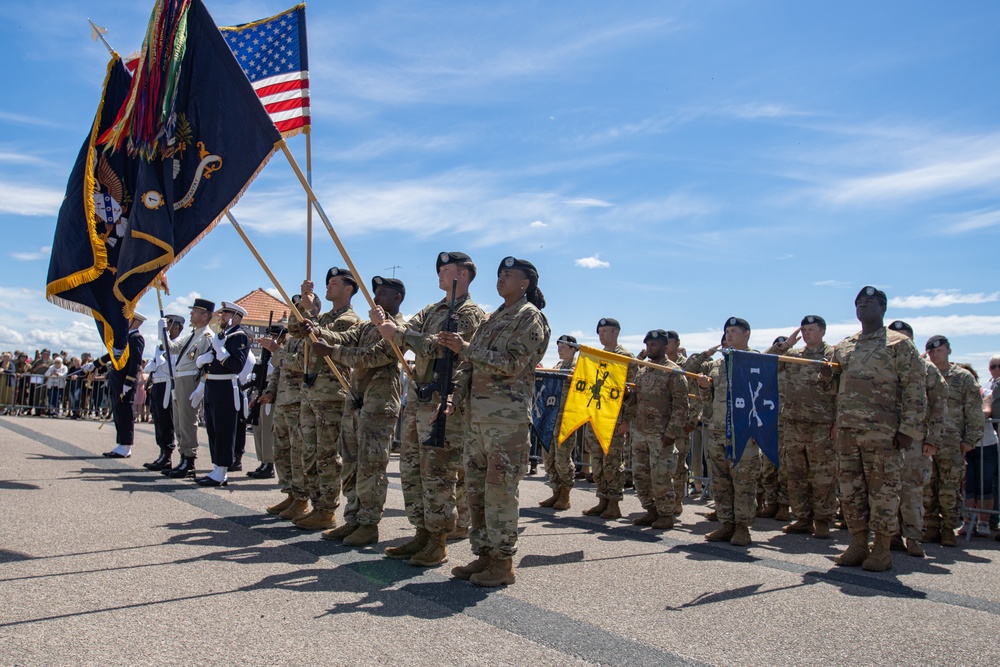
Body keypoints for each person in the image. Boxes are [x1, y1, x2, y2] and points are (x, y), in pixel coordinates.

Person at [442, 256, 550, 587]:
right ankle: (485, 554)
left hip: (506, 423)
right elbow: (470, 366)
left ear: (525, 283)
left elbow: (512, 364)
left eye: (509, 275)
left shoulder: (530, 318)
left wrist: (466, 347)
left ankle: (503, 564)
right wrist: (453, 397)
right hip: (478, 419)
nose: (501, 279)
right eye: (499, 274)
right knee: (476, 491)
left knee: (500, 493)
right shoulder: (493, 319)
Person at [377, 252, 486, 567]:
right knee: (412, 471)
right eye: (439, 268)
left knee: (437, 473)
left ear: (463, 275)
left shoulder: (470, 314)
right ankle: (421, 532)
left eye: (447, 269)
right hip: (419, 401)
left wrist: (399, 333)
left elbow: (442, 346)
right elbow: (408, 336)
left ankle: (438, 541)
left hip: (444, 402)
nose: (439, 272)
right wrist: (387, 326)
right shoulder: (431, 309)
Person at [827, 286, 926, 572]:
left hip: (883, 432)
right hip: (848, 432)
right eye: (859, 302)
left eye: (870, 302)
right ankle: (858, 543)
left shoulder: (899, 344)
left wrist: (909, 428)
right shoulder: (845, 346)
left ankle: (882, 548)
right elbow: (836, 386)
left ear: (882, 308)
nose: (863, 306)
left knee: (883, 491)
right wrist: (827, 376)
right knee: (850, 490)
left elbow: (915, 389)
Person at [309, 276, 406, 547]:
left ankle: (368, 523)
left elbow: (374, 356)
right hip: (356, 401)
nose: (376, 298)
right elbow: (345, 337)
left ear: (397, 298)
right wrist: (318, 330)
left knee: (371, 466)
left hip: (379, 404)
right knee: (351, 464)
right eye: (375, 294)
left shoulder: (397, 328)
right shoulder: (366, 326)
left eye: (383, 294)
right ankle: (353, 518)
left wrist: (333, 350)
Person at [289, 268, 360, 529]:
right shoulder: (327, 315)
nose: (328, 287)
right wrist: (301, 303)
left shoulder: (350, 319)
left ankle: (327, 509)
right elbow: (295, 331)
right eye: (327, 283)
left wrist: (309, 313)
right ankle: (315, 502)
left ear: (348, 289)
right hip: (312, 391)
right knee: (310, 451)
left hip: (331, 395)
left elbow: (319, 337)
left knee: (327, 454)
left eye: (334, 283)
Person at [768, 316, 838, 539]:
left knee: (822, 475)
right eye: (804, 329)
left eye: (811, 329)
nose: (806, 333)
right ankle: (802, 518)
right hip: (793, 422)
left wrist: (838, 422)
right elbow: (765, 363)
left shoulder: (834, 355)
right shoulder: (794, 355)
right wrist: (786, 345)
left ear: (823, 332)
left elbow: (843, 390)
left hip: (822, 424)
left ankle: (823, 520)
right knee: (796, 474)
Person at [696, 317, 761, 546]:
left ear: (747, 334)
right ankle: (726, 523)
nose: (729, 335)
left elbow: (764, 399)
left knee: (743, 481)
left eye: (734, 331)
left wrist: (758, 430)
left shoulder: (756, 361)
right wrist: (704, 388)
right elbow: (709, 401)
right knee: (721, 481)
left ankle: (742, 527)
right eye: (727, 331)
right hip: (717, 430)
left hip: (744, 432)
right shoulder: (718, 364)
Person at [621, 330, 689, 531]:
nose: (650, 348)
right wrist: (627, 396)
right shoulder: (644, 371)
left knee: (661, 476)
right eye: (648, 344)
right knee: (641, 476)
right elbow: (636, 402)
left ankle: (666, 514)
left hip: (661, 435)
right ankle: (650, 510)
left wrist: (671, 433)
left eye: (654, 345)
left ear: (664, 346)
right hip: (641, 432)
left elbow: (681, 406)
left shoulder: (673, 372)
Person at [922, 335, 983, 545]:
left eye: (938, 350)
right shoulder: (924, 374)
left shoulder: (963, 377)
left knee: (949, 488)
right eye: (931, 351)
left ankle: (948, 528)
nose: (934, 354)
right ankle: (931, 526)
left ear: (948, 350)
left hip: (952, 442)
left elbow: (974, 411)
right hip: (927, 440)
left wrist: (970, 439)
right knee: (927, 488)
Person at [262, 297, 313, 520]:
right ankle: (291, 493)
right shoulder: (291, 340)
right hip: (283, 401)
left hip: (298, 403)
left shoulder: (310, 337)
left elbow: (300, 363)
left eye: (298, 311)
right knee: (281, 451)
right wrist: (271, 391)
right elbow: (279, 370)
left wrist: (276, 350)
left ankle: (302, 498)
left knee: (297, 452)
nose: (293, 316)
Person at [582, 317, 635, 520]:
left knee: (612, 461)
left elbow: (633, 393)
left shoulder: (626, 357)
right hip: (596, 415)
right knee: (597, 461)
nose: (601, 335)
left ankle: (614, 503)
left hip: (614, 418)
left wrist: (626, 420)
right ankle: (602, 499)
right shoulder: (597, 357)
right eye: (600, 332)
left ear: (616, 333)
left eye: (605, 331)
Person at [194, 301, 250, 486]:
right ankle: (217, 468)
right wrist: (202, 360)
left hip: (227, 388)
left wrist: (220, 351)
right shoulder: (222, 335)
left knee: (224, 431)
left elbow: (236, 365)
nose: (221, 317)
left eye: (225, 314)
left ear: (236, 317)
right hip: (213, 387)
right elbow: (210, 362)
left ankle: (222, 471)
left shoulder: (239, 337)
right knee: (213, 431)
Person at [162, 299, 215, 479]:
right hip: (180, 379)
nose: (191, 314)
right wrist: (163, 332)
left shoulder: (207, 337)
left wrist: (201, 386)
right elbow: (171, 348)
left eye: (195, 312)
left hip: (191, 381)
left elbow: (207, 365)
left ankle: (189, 459)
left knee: (187, 421)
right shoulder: (193, 335)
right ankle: (183, 456)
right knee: (178, 421)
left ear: (205, 315)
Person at [85, 314, 146, 458]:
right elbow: (113, 353)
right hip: (117, 380)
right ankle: (121, 444)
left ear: (135, 321)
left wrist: (129, 382)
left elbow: (135, 363)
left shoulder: (136, 338)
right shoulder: (126, 338)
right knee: (118, 413)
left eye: (129, 319)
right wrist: (95, 364)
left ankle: (126, 446)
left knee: (125, 414)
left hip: (125, 381)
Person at [538, 334, 579, 511]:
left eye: (564, 347)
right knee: (549, 457)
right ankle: (556, 491)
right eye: (558, 347)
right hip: (552, 418)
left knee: (562, 458)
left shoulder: (577, 368)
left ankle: (565, 494)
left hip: (566, 419)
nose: (560, 350)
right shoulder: (558, 366)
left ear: (573, 349)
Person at [143, 314, 184, 471]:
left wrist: (158, 360)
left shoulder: (177, 346)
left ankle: (167, 455)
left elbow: (169, 368)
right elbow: (151, 366)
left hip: (168, 385)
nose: (165, 329)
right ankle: (161, 453)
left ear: (176, 328)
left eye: (168, 325)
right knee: (158, 420)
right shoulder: (161, 346)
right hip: (158, 385)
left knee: (166, 421)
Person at [246, 323, 285, 480]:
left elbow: (274, 370)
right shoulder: (265, 354)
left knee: (268, 429)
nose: (271, 339)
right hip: (260, 390)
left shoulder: (280, 352)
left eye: (274, 336)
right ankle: (262, 461)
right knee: (259, 427)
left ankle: (269, 464)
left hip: (271, 391)